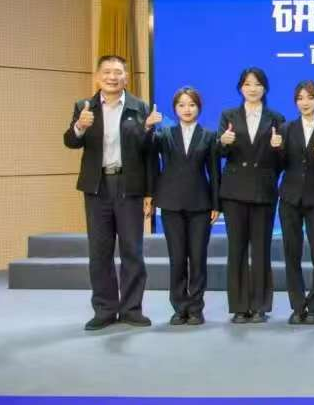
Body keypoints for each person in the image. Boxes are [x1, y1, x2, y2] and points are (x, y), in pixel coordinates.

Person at [64, 55, 159, 331]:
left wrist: (150, 192)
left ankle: (131, 309)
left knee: (132, 250)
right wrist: (80, 126)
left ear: (126, 77)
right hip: (97, 187)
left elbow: (148, 154)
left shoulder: (140, 107)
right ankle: (104, 309)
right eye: (107, 72)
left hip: (129, 186)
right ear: (98, 77)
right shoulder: (85, 106)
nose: (112, 77)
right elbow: (70, 142)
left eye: (118, 72)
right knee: (100, 252)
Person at [218, 67, 285, 324]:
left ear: (264, 88)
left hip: (263, 190)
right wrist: (223, 142)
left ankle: (259, 306)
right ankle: (239, 306)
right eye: (247, 84)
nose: (252, 88)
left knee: (261, 249)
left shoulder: (276, 118)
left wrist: (278, 149)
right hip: (234, 190)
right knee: (236, 249)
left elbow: (282, 161)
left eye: (257, 84)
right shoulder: (229, 116)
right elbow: (219, 153)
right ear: (240, 88)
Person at [147, 86, 219, 326]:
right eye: (181, 105)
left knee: (197, 258)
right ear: (175, 109)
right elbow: (145, 152)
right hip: (171, 204)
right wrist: (148, 127)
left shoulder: (208, 136)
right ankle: (179, 308)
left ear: (199, 107)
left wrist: (216, 204)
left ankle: (196, 308)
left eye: (191, 104)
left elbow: (214, 173)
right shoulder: (164, 134)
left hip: (200, 204)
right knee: (177, 258)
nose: (187, 109)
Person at [278, 80, 314, 325]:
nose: (305, 102)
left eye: (310, 98)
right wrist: (276, 149)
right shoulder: (286, 128)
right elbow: (280, 164)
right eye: (300, 98)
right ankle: (297, 305)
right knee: (291, 253)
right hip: (289, 197)